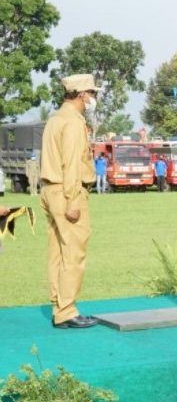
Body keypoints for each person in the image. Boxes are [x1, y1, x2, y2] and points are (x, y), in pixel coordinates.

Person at [39, 73, 100, 329]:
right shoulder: (74, 122)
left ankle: (60, 306)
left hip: (50, 190)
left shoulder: (55, 119)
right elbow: (72, 163)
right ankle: (66, 310)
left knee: (58, 253)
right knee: (73, 252)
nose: (94, 98)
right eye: (93, 93)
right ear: (83, 94)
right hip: (67, 191)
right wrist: (74, 200)